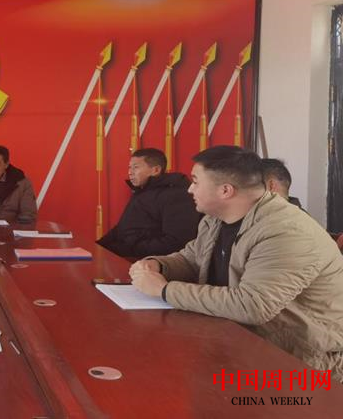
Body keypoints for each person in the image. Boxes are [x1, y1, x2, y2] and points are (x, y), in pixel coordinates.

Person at [130, 145, 343, 381]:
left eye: (195, 182)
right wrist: (158, 265)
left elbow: (253, 306)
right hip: (239, 341)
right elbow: (192, 258)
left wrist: (164, 290)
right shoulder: (216, 218)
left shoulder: (286, 232)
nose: (190, 189)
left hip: (299, 362)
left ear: (225, 190)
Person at [97, 148, 202, 257]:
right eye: (129, 167)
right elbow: (122, 228)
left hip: (148, 262)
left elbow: (175, 242)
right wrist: (98, 247)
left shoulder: (176, 195)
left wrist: (126, 249)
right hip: (126, 255)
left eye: (136, 167)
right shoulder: (142, 192)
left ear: (156, 170)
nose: (130, 172)